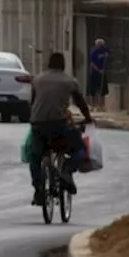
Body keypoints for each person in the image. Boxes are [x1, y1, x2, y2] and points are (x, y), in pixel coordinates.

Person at [27, 52, 93, 205]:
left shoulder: (37, 79)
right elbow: (80, 103)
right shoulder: (69, 81)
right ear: (63, 66)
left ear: (48, 65)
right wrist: (88, 119)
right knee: (80, 149)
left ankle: (38, 190)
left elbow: (33, 102)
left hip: (37, 125)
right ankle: (67, 172)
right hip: (59, 126)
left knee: (35, 157)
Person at [87, 38, 109, 109]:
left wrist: (107, 55)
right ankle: (92, 105)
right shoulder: (94, 52)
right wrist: (98, 70)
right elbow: (91, 63)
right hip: (94, 73)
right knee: (92, 90)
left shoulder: (104, 51)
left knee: (102, 90)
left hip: (103, 73)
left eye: (99, 44)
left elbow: (109, 56)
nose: (98, 45)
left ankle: (101, 106)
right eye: (97, 44)